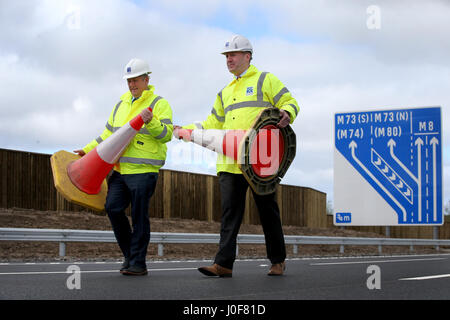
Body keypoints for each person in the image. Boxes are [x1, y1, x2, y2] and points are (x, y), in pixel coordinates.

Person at [174, 35, 299, 277]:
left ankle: (277, 260)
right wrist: (187, 130)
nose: (228, 59)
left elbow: (289, 101)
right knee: (230, 215)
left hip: (261, 163)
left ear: (247, 56)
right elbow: (212, 123)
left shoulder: (265, 80)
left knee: (267, 212)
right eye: (226, 56)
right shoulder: (225, 92)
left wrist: (287, 112)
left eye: (233, 54)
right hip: (230, 163)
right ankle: (224, 264)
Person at [74, 58, 173, 275]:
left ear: (147, 79)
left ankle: (138, 264)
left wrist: (151, 121)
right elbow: (108, 135)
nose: (131, 85)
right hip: (119, 170)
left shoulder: (159, 104)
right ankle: (131, 255)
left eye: (136, 80)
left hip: (144, 171)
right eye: (129, 81)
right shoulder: (120, 105)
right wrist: (87, 150)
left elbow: (166, 135)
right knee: (112, 208)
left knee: (139, 217)